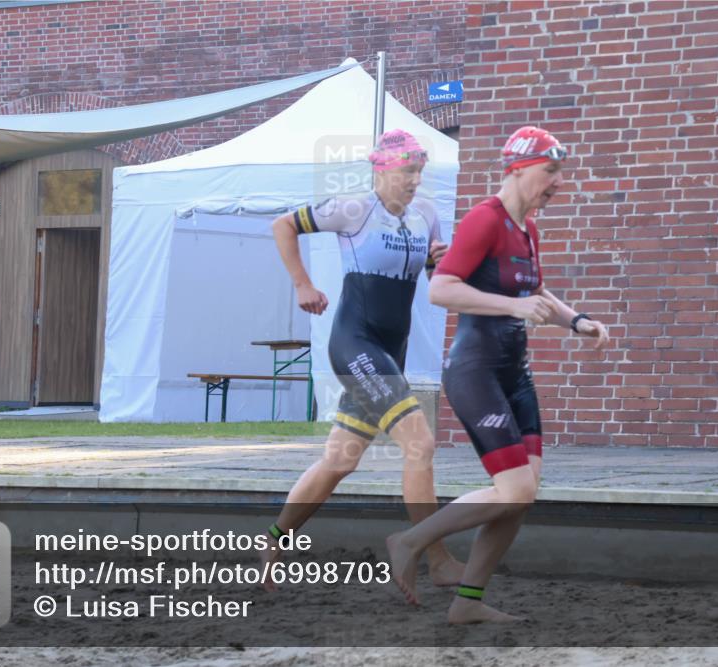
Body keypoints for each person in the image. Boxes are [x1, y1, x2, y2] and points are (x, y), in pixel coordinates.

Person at [386, 126, 610, 623]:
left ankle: (467, 604)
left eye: (558, 174)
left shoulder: (528, 228)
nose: (556, 184)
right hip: (476, 372)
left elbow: (537, 296)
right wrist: (512, 304)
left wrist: (576, 320)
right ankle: (411, 540)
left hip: (516, 374)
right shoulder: (484, 220)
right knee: (515, 491)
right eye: (549, 172)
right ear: (517, 169)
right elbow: (442, 289)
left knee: (519, 499)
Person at [259, 129, 465, 591]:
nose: (415, 179)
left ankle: (273, 540)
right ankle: (435, 557)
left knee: (340, 460)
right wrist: (302, 284)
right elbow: (283, 225)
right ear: (381, 169)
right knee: (421, 444)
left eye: (419, 170)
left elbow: (436, 285)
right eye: (407, 170)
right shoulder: (353, 208)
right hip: (355, 345)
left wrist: (443, 263)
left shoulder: (426, 215)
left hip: (391, 349)